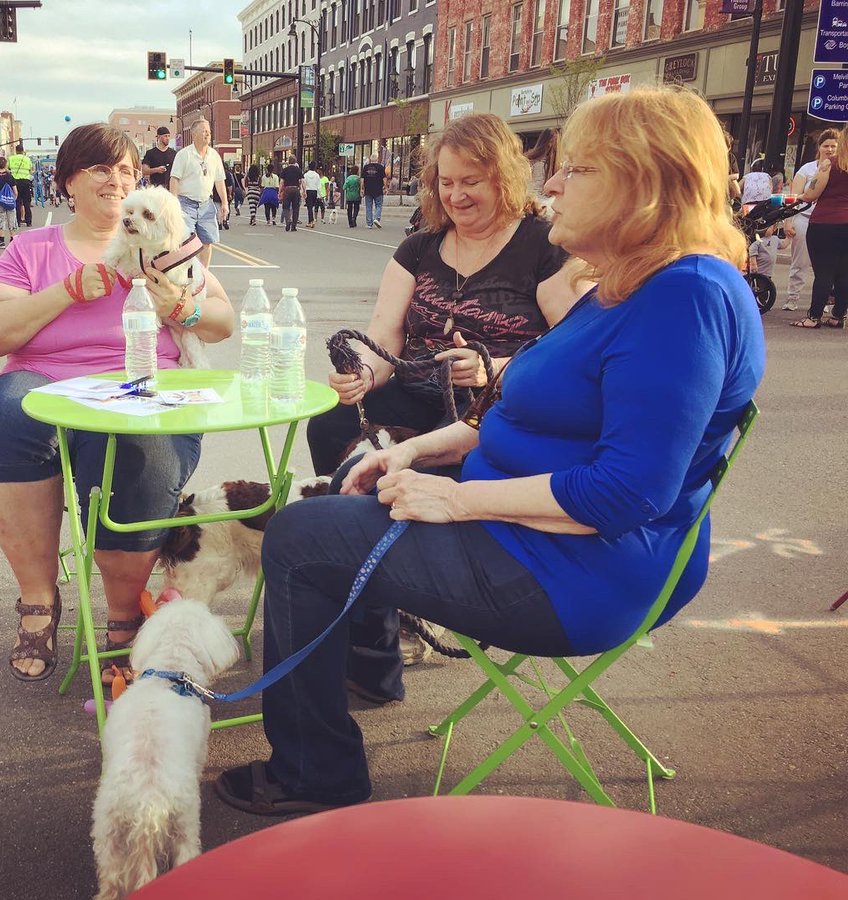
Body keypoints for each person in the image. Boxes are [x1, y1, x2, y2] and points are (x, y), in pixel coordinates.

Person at [214, 84, 764, 817]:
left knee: (300, 538)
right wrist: (414, 456)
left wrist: (457, 498)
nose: (553, 185)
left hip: (574, 572)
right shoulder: (628, 285)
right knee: (346, 480)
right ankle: (365, 678)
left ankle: (317, 773)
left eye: (576, 169)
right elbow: (508, 408)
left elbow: (626, 494)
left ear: (643, 182)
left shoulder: (685, 296)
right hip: (528, 537)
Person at [0, 123, 235, 682]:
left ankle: (122, 616)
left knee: (144, 448)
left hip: (146, 381)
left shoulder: (165, 246)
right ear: (66, 182)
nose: (117, 181)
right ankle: (38, 602)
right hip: (46, 378)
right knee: (2, 419)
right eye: (101, 170)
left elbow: (223, 322)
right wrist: (66, 290)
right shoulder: (32, 248)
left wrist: (180, 307)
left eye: (128, 171)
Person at [307, 113, 573, 681]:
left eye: (470, 181)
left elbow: (571, 353)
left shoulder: (542, 247)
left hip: (496, 406)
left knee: (453, 457)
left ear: (503, 175)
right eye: (446, 182)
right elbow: (385, 335)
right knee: (332, 428)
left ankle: (420, 586)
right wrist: (362, 373)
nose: (455, 194)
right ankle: (376, 607)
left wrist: (492, 367)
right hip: (414, 390)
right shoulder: (420, 247)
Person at [792, 124, 848, 330]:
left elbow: (811, 195)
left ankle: (813, 317)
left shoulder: (829, 164)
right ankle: (837, 316)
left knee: (824, 272)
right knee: (844, 272)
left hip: (825, 223)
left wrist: (798, 197)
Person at [782, 129, 838, 311]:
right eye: (826, 146)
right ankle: (793, 297)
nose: (830, 149)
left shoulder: (841, 169)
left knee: (828, 265)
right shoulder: (807, 169)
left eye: (833, 146)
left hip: (831, 223)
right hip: (805, 219)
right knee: (800, 262)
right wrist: (788, 221)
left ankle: (826, 301)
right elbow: (794, 197)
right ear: (819, 147)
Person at [168, 119, 227, 268]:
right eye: (203, 131)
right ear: (194, 134)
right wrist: (174, 203)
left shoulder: (214, 156)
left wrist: (225, 203)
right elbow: (174, 179)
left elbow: (219, 181)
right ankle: (186, 272)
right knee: (185, 241)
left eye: (209, 131)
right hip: (186, 203)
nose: (207, 134)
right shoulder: (184, 155)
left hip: (206, 203)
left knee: (207, 241)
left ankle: (204, 273)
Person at [7, 142, 34, 228]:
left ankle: (17, 221)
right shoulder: (27, 159)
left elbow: (8, 169)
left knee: (17, 202)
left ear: (16, 150)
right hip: (25, 182)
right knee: (27, 203)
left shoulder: (11, 158)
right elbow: (31, 170)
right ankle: (28, 221)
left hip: (15, 182)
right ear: (23, 151)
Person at [362, 154, 387, 228]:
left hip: (368, 189)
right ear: (377, 159)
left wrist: (362, 188)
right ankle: (377, 218)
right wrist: (385, 187)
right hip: (378, 189)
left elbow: (362, 179)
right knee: (378, 205)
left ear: (370, 159)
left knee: (368, 207)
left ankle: (369, 224)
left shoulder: (366, 167)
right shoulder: (380, 167)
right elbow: (384, 178)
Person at [279, 154, 303, 232]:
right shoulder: (298, 170)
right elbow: (302, 181)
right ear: (295, 161)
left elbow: (282, 182)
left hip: (287, 189)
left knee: (286, 207)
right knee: (296, 208)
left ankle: (288, 221)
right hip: (296, 189)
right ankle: (294, 226)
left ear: (288, 162)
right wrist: (304, 191)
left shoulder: (285, 170)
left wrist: (279, 191)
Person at [303, 162, 321, 228]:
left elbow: (304, 184)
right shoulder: (317, 175)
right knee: (312, 206)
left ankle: (311, 221)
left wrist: (303, 192)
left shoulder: (306, 175)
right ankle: (310, 221)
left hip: (308, 191)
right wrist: (319, 195)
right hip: (314, 191)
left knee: (309, 207)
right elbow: (319, 186)